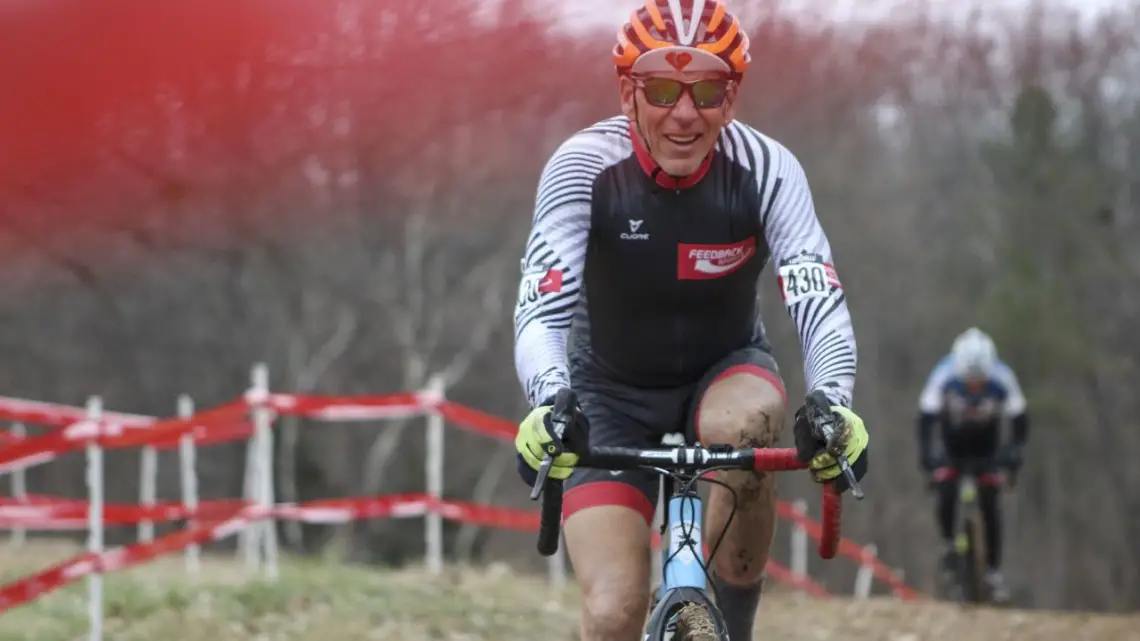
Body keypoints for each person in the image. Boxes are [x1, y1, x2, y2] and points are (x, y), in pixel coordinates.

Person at [510, 2, 869, 639]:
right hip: (607, 394)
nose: (684, 113)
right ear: (628, 92)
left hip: (725, 371)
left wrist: (833, 405)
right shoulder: (582, 168)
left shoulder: (767, 170)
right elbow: (542, 305)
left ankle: (732, 625)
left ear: (731, 99)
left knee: (750, 425)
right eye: (661, 90)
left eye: (706, 91)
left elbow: (816, 294)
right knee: (614, 612)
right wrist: (548, 401)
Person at [916, 327, 1029, 604]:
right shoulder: (943, 374)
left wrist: (1013, 457)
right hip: (951, 449)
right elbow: (925, 420)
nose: (974, 387)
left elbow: (1020, 421)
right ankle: (947, 544)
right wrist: (927, 458)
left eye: (980, 381)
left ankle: (992, 572)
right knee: (945, 491)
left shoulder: (1003, 377)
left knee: (991, 503)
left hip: (987, 451)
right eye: (969, 382)